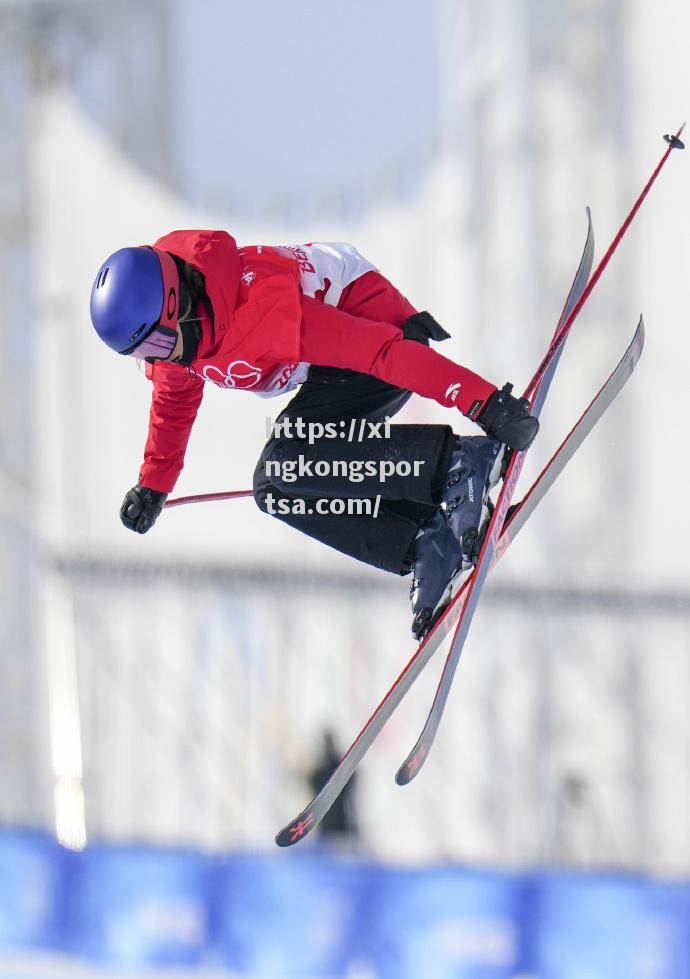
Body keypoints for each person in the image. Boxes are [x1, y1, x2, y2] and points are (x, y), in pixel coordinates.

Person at [90, 232, 538, 638]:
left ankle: (458, 464)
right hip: (332, 373)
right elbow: (173, 403)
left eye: (155, 346)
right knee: (274, 488)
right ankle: (427, 539)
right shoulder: (176, 349)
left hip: (379, 333)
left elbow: (380, 352)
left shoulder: (259, 311)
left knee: (287, 463)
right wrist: (153, 485)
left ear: (176, 304)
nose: (157, 360)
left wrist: (481, 401)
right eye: (141, 354)